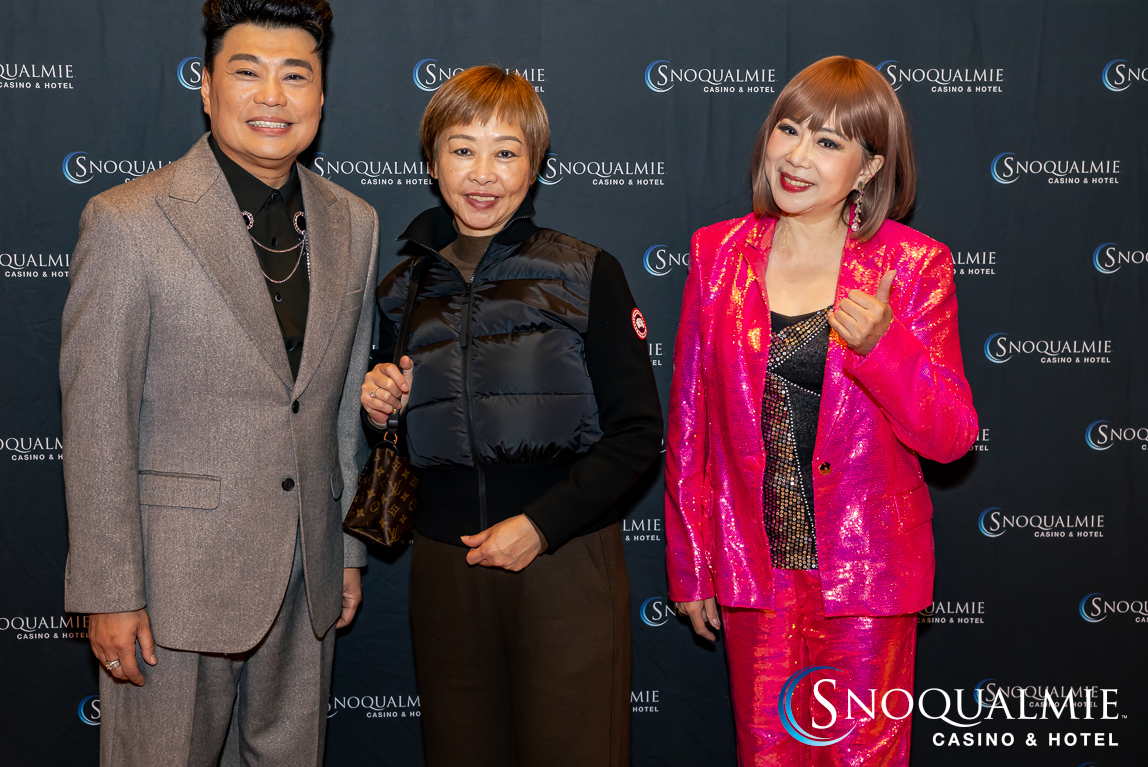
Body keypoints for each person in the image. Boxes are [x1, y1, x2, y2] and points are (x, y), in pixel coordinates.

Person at [60, 0, 379, 766]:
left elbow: (339, 405)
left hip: (306, 581)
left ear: (321, 95)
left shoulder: (355, 221)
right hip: (171, 588)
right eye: (247, 71)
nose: (272, 96)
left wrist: (345, 552)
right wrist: (109, 591)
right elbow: (96, 422)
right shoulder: (128, 221)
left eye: (295, 74)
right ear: (206, 88)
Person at [665, 56, 977, 765]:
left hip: (868, 571)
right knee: (767, 755)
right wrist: (692, 565)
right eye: (789, 130)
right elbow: (689, 425)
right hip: (755, 568)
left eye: (828, 141)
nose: (797, 156)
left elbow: (953, 438)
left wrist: (884, 348)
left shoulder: (915, 265)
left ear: (870, 168)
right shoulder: (717, 253)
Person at [360, 65, 662, 767]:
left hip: (563, 558)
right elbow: (399, 435)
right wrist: (379, 411)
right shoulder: (402, 288)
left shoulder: (586, 271)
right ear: (432, 162)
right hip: (445, 564)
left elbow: (638, 433)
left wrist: (542, 525)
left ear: (534, 165)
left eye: (506, 152)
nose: (483, 173)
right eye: (463, 149)